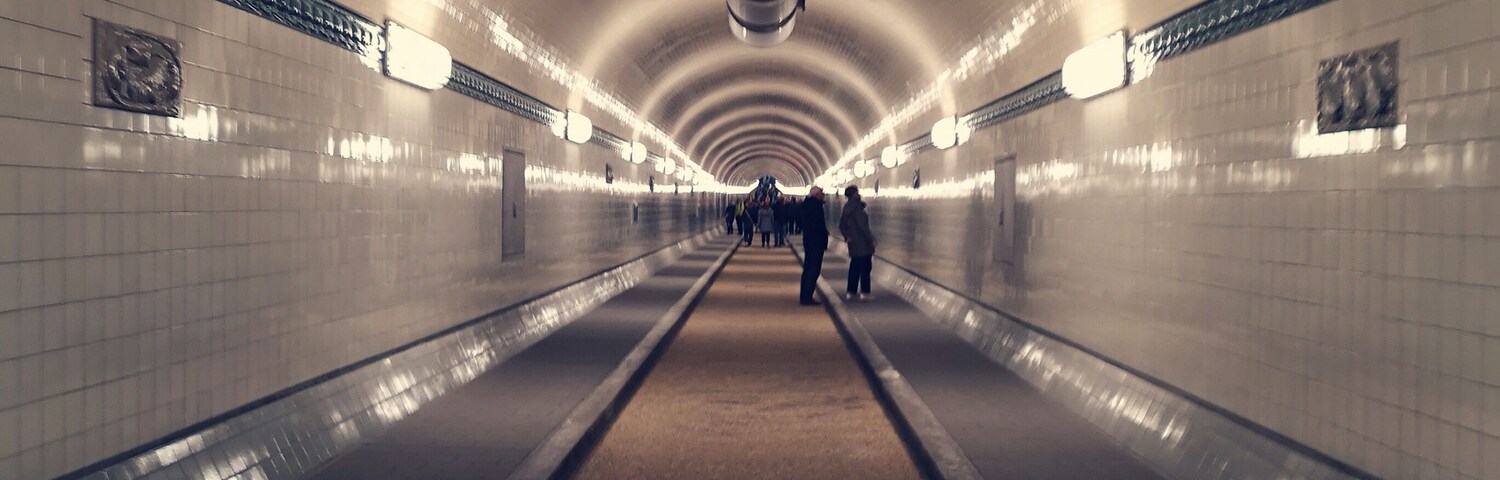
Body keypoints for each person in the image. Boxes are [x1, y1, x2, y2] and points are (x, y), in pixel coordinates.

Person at [839, 185, 876, 301]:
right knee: (865, 268)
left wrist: (847, 236)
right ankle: (865, 292)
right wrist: (871, 239)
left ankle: (851, 291)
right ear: (854, 194)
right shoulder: (857, 208)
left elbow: (841, 225)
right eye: (857, 192)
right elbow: (863, 227)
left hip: (853, 243)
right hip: (862, 243)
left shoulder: (846, 208)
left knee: (854, 267)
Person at [798, 188, 829, 305]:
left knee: (808, 269)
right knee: (813, 269)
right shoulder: (815, 207)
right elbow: (818, 225)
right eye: (822, 192)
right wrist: (822, 238)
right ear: (816, 195)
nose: (824, 194)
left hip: (810, 241)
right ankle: (807, 297)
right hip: (815, 242)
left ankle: (805, 295)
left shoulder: (809, 205)